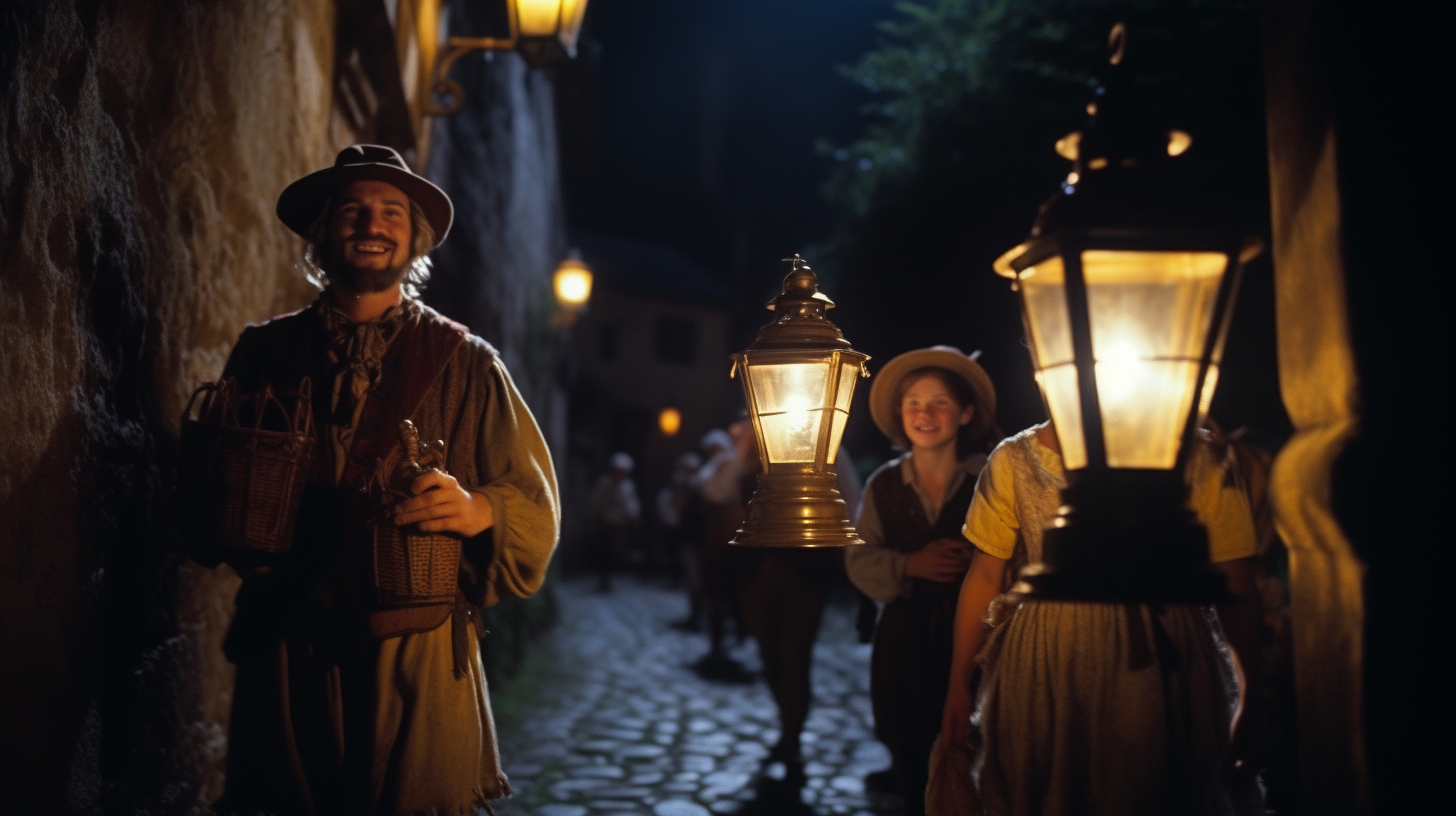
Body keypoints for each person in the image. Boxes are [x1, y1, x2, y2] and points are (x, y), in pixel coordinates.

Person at [193, 144, 559, 815]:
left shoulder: (468, 363)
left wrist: (480, 509)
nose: (372, 223)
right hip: (288, 639)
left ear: (413, 238)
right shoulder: (263, 352)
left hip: (415, 649)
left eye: (392, 211)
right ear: (323, 231)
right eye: (353, 210)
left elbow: (532, 500)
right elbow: (207, 492)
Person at [939, 420, 1264, 815]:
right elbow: (986, 574)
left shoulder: (1198, 455)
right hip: (1048, 666)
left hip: (1163, 660)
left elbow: (1234, 576)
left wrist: (1250, 693)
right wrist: (959, 683)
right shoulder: (1015, 459)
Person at [845, 347, 1000, 816]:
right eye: (914, 402)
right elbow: (858, 558)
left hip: (976, 647)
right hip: (903, 648)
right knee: (912, 764)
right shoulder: (884, 485)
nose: (924, 414)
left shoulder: (990, 480)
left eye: (939, 403)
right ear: (899, 413)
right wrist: (909, 565)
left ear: (965, 413)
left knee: (978, 765)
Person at [589, 451, 642, 591]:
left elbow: (631, 505)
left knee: (616, 552)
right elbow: (597, 503)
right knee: (604, 552)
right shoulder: (604, 484)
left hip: (619, 525)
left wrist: (634, 518)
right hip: (605, 524)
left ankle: (610, 576)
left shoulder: (627, 486)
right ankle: (603, 579)